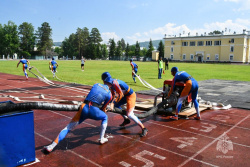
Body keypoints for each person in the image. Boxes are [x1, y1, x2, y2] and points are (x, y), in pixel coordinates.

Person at [44, 83, 113, 153]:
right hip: (95, 111)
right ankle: (101, 139)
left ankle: (51, 146)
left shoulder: (96, 84)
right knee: (105, 117)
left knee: (68, 128)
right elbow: (103, 108)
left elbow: (92, 95)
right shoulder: (109, 94)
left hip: (84, 108)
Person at [101, 72, 148, 137]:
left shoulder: (115, 83)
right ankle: (126, 119)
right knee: (116, 105)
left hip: (130, 96)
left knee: (130, 114)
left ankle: (144, 128)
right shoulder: (111, 84)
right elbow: (113, 94)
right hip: (125, 96)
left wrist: (112, 103)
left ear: (105, 81)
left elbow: (121, 94)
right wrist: (111, 103)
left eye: (103, 81)